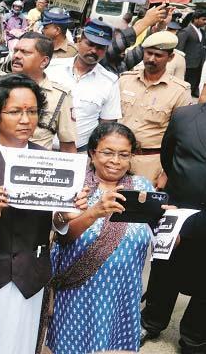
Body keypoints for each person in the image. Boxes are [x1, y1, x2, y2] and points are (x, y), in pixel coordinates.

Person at [0, 73, 84, 354]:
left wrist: (66, 214)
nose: (26, 119)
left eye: (32, 111)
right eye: (15, 111)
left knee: (19, 345)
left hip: (29, 276)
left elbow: (57, 221)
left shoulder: (53, 163)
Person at [45, 122, 154, 354]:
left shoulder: (142, 188)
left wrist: (169, 224)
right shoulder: (76, 187)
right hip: (78, 292)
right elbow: (63, 237)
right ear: (92, 153)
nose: (115, 160)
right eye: (107, 152)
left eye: (124, 154)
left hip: (122, 293)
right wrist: (95, 212)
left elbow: (154, 236)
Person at [141, 102, 206, 353]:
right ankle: (151, 322)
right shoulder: (184, 116)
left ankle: (194, 337)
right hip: (179, 208)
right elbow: (168, 156)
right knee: (164, 267)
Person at [118, 31, 192, 187]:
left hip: (151, 164)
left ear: (170, 58)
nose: (151, 59)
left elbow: (182, 136)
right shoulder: (124, 80)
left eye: (158, 55)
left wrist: (166, 173)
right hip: (116, 159)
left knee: (141, 209)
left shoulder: (179, 91)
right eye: (148, 53)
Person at [46, 21, 121, 152]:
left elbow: (107, 127)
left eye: (100, 48)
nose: (94, 51)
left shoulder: (110, 82)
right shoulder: (52, 68)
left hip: (80, 153)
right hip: (42, 149)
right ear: (79, 40)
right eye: (90, 44)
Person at [177, 10, 206, 97]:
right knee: (184, 83)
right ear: (195, 19)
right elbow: (179, 49)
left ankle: (191, 94)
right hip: (187, 63)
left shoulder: (202, 32)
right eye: (203, 19)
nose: (205, 22)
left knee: (194, 81)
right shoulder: (186, 31)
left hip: (198, 63)